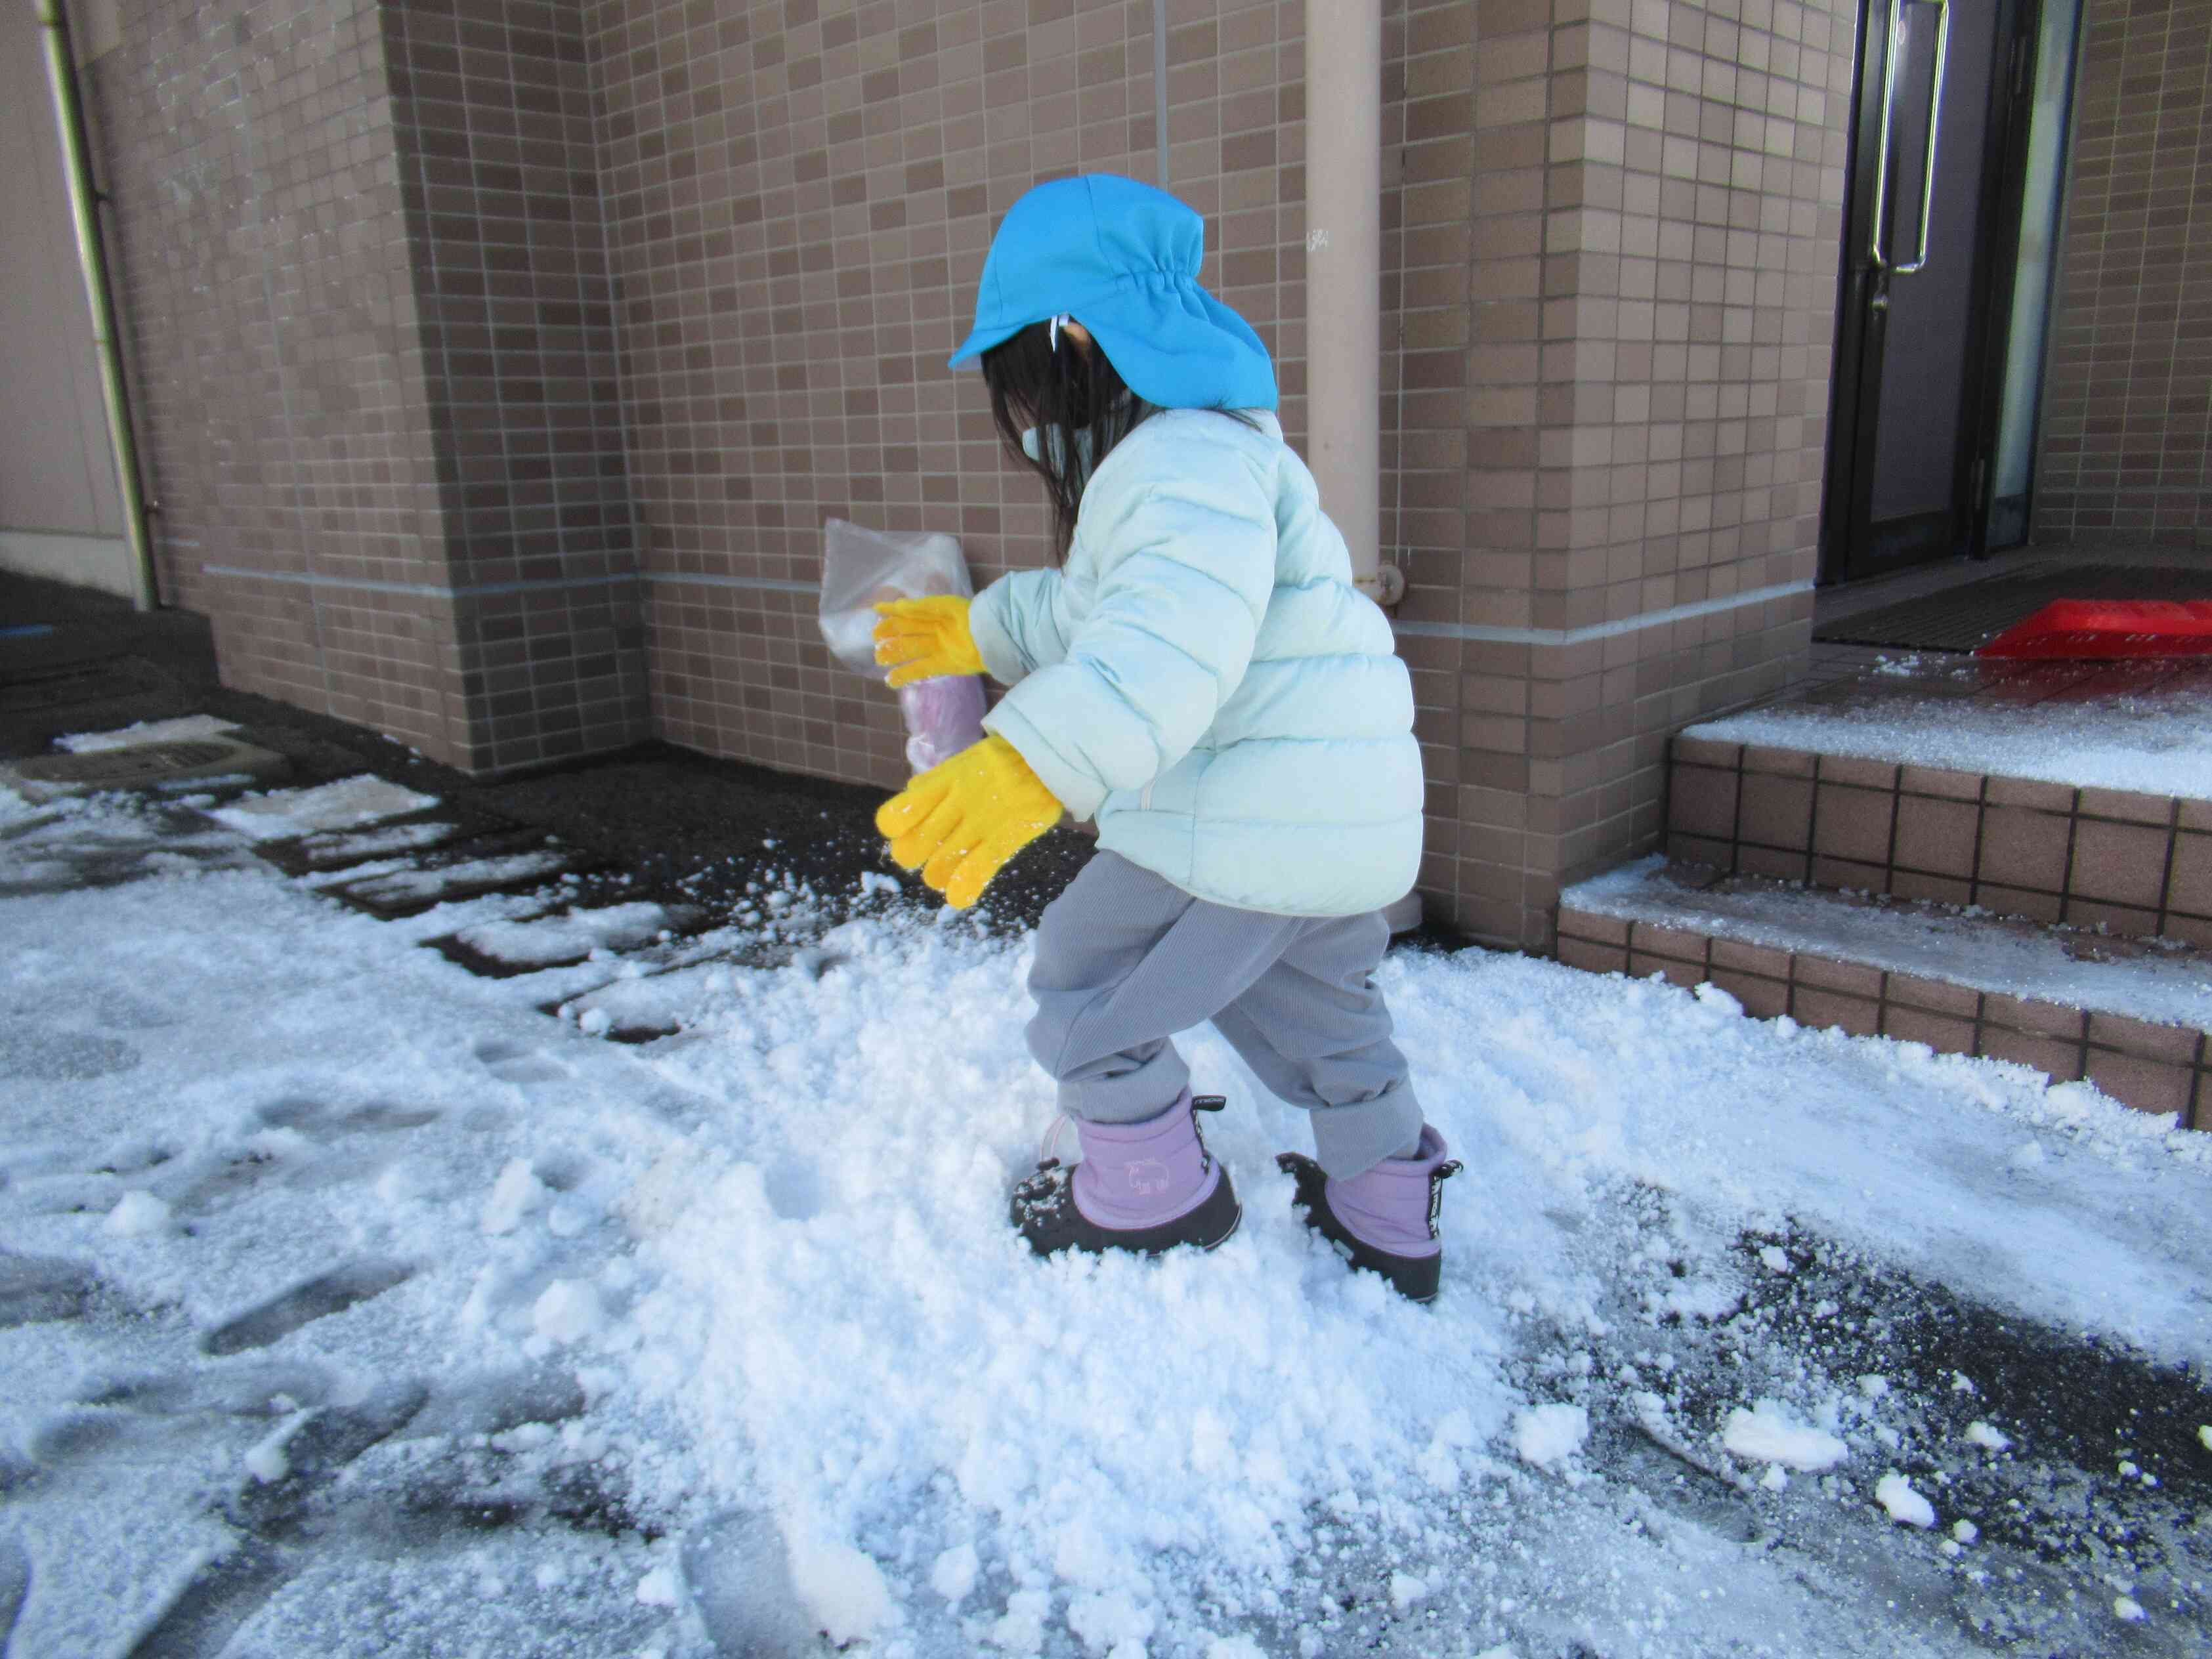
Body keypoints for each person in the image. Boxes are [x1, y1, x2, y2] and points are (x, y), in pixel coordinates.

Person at [869, 174, 1458, 1302]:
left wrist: (1032, 761)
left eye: (1022, 379)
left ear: (1074, 336)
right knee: (1325, 1018)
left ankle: (1149, 1192)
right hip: (1326, 825)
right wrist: (974, 625)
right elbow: (1111, 612)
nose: (1029, 415)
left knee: (1086, 984)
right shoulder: (1217, 455)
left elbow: (1159, 651)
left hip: (1234, 822)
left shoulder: (1176, 462)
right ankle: (1385, 1204)